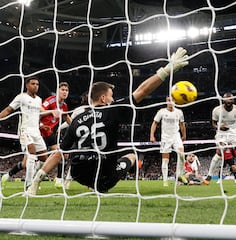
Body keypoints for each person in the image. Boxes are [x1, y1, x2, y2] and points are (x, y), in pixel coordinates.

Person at [27, 47, 189, 195]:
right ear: (103, 99)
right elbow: (143, 90)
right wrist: (167, 70)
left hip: (80, 173)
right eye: (111, 96)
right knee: (132, 157)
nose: (113, 99)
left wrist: (36, 180)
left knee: (68, 152)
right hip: (104, 176)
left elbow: (58, 154)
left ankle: (52, 180)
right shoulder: (112, 111)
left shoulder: (77, 119)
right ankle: (121, 174)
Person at [2, 82, 72, 189]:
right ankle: (12, 176)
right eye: (62, 90)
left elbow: (67, 119)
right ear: (57, 91)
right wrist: (44, 120)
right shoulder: (50, 101)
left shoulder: (64, 106)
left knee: (60, 154)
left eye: (66, 90)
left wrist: (76, 125)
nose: (64, 92)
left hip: (50, 133)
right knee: (30, 161)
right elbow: (39, 112)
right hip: (39, 131)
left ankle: (57, 180)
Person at [0, 76, 48, 189]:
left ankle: (35, 179)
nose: (36, 86)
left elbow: (36, 116)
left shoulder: (39, 100)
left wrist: (41, 125)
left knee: (44, 159)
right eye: (33, 84)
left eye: (37, 84)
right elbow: (8, 109)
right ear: (27, 85)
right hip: (25, 130)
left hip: (36, 131)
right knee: (31, 152)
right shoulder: (21, 97)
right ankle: (28, 184)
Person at [202, 92, 236, 186]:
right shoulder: (217, 110)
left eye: (230, 99)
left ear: (233, 100)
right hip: (221, 134)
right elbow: (213, 123)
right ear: (223, 100)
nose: (228, 101)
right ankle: (209, 176)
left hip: (234, 134)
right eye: (226, 99)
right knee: (220, 152)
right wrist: (219, 127)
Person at [150, 96, 187, 187]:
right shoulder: (161, 112)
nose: (171, 102)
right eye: (169, 100)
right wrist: (152, 135)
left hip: (176, 136)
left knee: (182, 154)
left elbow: (182, 124)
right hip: (165, 138)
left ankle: (179, 174)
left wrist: (184, 135)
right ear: (166, 101)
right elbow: (155, 123)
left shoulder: (179, 112)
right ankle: (165, 181)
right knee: (165, 160)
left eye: (172, 100)